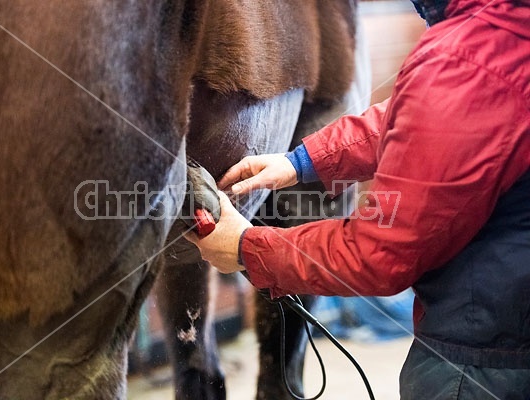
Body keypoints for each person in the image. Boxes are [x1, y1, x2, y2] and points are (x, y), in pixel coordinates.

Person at [185, 0, 530, 398]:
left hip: (483, 360)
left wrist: (248, 249)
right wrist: (301, 161)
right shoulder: (502, 32)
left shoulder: (465, 55)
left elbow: (380, 252)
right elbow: (433, 117)